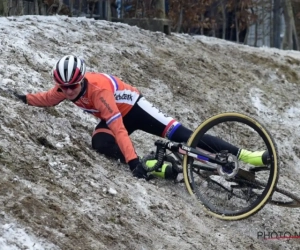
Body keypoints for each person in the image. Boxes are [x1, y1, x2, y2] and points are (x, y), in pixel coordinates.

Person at [13, 55, 268, 180]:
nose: (68, 92)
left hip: (135, 109)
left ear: (81, 80)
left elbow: (118, 126)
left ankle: (248, 155)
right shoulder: (63, 89)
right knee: (100, 143)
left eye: (73, 86)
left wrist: (132, 160)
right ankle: (159, 167)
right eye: (63, 87)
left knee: (186, 136)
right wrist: (22, 98)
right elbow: (47, 98)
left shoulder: (98, 91)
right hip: (115, 117)